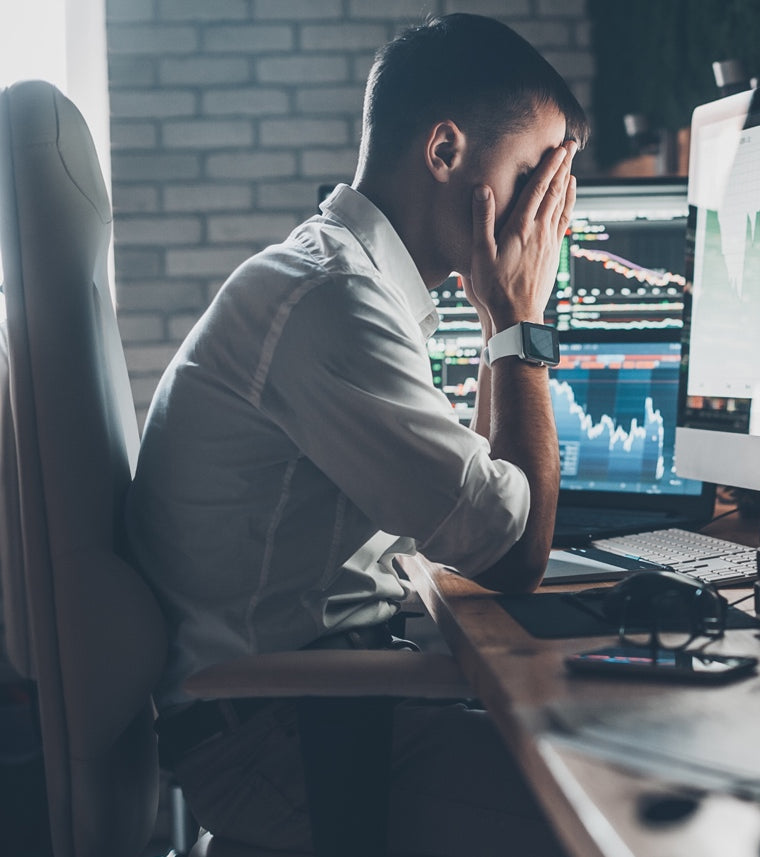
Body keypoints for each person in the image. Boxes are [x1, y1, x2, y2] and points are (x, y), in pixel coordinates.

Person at [126, 14, 586, 855]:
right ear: (444, 151)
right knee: (598, 812)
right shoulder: (330, 301)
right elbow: (514, 550)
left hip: (317, 706)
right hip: (286, 740)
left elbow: (479, 513)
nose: (542, 219)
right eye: (532, 175)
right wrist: (520, 321)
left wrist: (499, 319)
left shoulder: (338, 281)